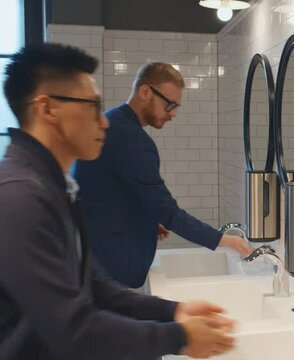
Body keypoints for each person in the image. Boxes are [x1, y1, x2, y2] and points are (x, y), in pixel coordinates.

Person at [0, 43, 235, 359]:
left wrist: (175, 311)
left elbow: (95, 287)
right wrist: (178, 337)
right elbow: (73, 330)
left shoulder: (51, 187)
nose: (105, 121)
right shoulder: (20, 197)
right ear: (48, 109)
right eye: (92, 106)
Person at [74, 62, 253, 288]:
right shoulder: (132, 139)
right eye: (170, 104)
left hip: (94, 261)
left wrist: (145, 219)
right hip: (110, 268)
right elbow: (167, 210)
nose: (174, 114)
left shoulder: (114, 123)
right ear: (145, 92)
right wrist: (224, 240)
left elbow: (108, 194)